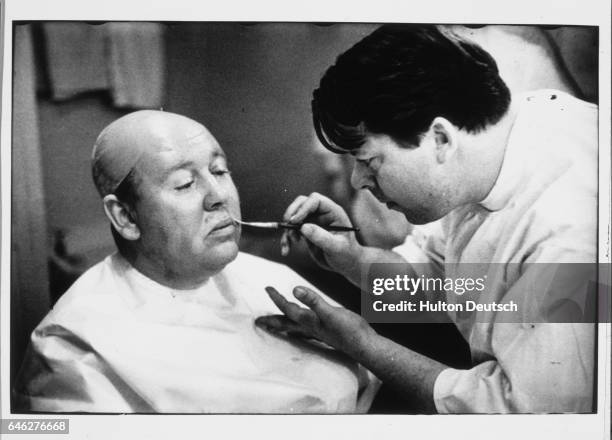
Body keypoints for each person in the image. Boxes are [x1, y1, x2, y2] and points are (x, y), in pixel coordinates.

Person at [257, 24, 597, 413]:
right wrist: (353, 258)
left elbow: (522, 417)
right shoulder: (485, 148)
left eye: (368, 162)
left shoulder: (569, 238)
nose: (356, 181)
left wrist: (362, 344)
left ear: (439, 139)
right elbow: (437, 283)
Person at [13, 110, 378, 413]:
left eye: (220, 171)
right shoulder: (72, 347)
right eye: (185, 184)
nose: (219, 196)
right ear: (125, 216)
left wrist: (358, 262)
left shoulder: (272, 279)